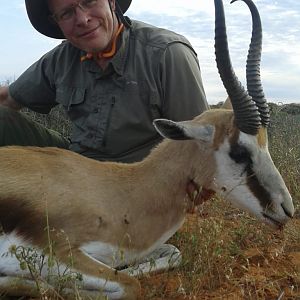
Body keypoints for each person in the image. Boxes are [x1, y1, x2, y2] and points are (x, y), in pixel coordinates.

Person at [0, 0, 210, 276]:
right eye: (67, 13)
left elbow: (202, 152)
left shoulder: (167, 53)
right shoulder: (62, 58)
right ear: (56, 21)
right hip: (74, 172)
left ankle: (93, 261)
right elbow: (8, 99)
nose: (83, 19)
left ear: (111, 2)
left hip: (131, 192)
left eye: (89, 2)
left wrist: (172, 208)